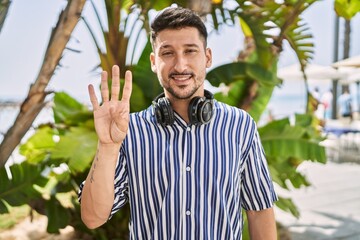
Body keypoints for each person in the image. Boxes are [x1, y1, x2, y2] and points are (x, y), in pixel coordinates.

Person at [78, 7, 278, 239]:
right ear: (154, 61)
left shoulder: (240, 126)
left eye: (190, 51)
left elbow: (260, 211)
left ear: (208, 57)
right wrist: (107, 145)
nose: (180, 65)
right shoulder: (129, 132)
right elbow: (93, 218)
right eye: (168, 53)